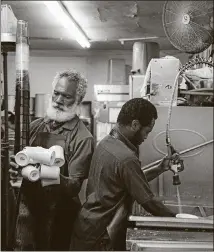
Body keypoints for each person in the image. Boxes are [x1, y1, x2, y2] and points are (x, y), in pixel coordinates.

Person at [70, 98, 180, 251]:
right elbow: (149, 202)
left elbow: (128, 181)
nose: (146, 137)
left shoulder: (106, 143)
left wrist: (160, 167)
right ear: (135, 124)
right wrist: (179, 221)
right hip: (100, 234)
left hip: (87, 226)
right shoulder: (125, 157)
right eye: (146, 131)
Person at [9, 69, 94, 251]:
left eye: (66, 96)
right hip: (28, 212)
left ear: (78, 100)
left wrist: (44, 172)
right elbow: (19, 161)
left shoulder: (82, 137)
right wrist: (14, 167)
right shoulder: (35, 126)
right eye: (56, 93)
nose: (58, 100)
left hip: (59, 217)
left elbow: (74, 186)